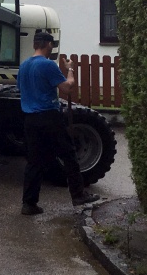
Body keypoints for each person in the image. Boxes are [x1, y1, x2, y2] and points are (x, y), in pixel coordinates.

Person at [17, 31, 100, 215]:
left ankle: (29, 203)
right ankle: (78, 195)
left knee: (34, 161)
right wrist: (70, 69)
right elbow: (67, 88)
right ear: (48, 45)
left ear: (34, 45)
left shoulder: (24, 66)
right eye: (51, 45)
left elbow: (22, 89)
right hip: (48, 117)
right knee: (69, 154)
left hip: (30, 119)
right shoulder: (48, 65)